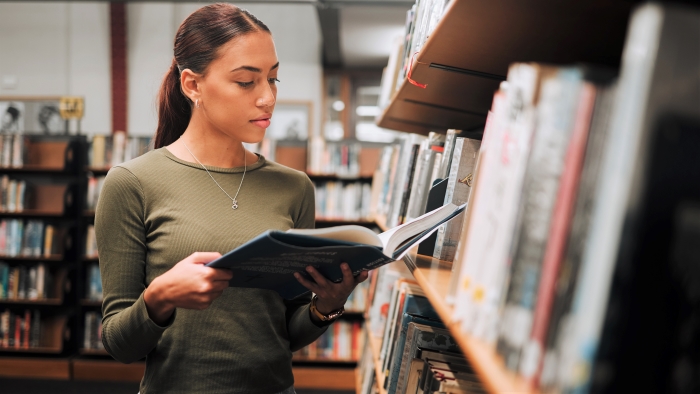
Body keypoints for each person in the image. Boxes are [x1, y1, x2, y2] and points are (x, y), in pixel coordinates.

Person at [95, 4, 368, 394]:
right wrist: (160, 297)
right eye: (246, 82)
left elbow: (284, 334)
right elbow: (119, 344)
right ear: (192, 85)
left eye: (273, 79)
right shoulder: (132, 183)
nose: (267, 98)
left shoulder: (295, 187)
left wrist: (325, 307)